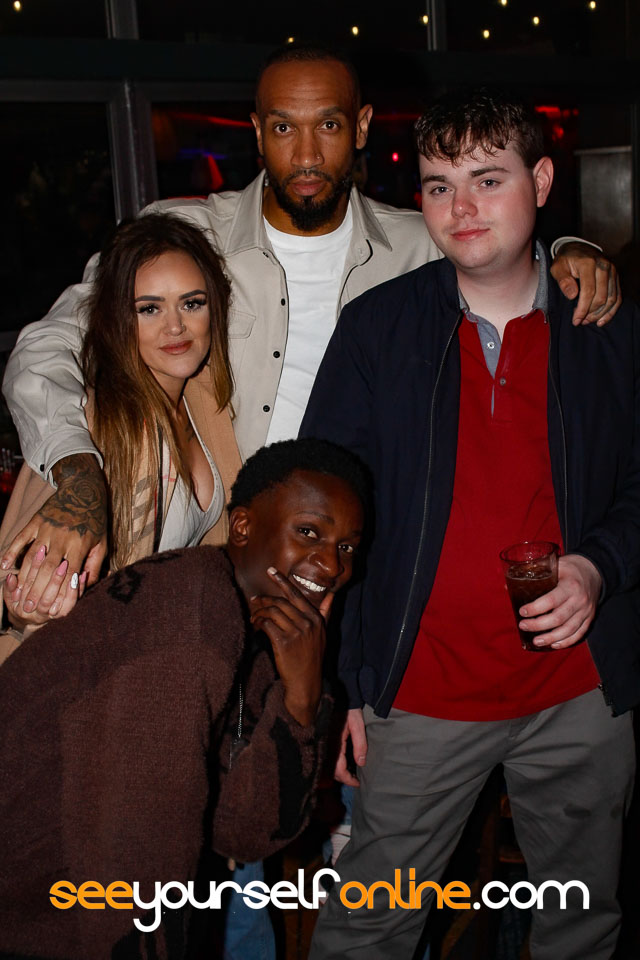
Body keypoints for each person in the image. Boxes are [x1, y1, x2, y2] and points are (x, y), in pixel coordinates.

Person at [0, 46, 620, 621]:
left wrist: (569, 251)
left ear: (362, 127)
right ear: (256, 131)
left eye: (327, 125)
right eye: (282, 128)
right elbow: (46, 346)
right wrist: (77, 470)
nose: (305, 155)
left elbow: (503, 252)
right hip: (222, 564)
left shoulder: (420, 242)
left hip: (359, 563)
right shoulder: (188, 235)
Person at [301, 88, 639, 959]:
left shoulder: (605, 328)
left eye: (488, 180)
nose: (461, 208)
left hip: (578, 695)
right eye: (438, 185)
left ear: (542, 182)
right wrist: (345, 686)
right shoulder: (378, 330)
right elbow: (324, 517)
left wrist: (598, 567)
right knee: (366, 931)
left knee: (581, 924)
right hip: (421, 694)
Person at [0, 437, 368, 960]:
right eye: (308, 532)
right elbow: (135, 867)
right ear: (242, 526)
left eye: (347, 548)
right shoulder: (189, 611)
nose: (331, 566)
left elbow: (246, 833)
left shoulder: (256, 635)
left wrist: (303, 699)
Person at [0, 211, 240, 652]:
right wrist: (27, 609)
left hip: (170, 659)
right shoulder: (99, 424)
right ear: (117, 321)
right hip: (100, 671)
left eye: (191, 303)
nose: (175, 326)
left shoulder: (206, 405)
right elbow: (23, 592)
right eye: (149, 309)